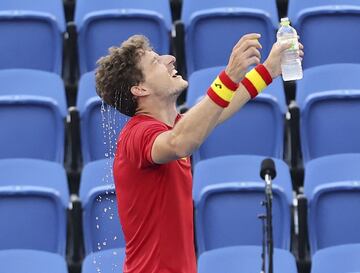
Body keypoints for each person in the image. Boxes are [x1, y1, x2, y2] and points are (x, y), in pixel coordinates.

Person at [95, 34, 304, 273]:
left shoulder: (172, 129)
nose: (170, 59)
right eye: (155, 61)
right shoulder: (138, 133)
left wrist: (268, 69)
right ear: (140, 89)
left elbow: (218, 111)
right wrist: (229, 76)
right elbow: (180, 142)